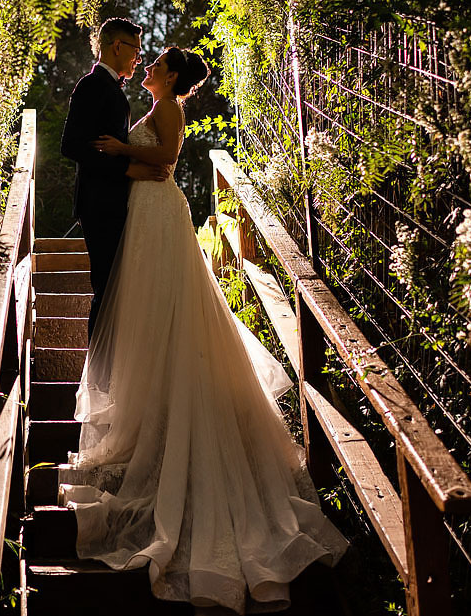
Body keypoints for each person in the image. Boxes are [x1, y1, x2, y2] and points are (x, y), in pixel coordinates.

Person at [63, 47, 348, 614]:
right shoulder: (155, 101)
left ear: (169, 76)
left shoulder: (168, 108)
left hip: (158, 208)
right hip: (144, 210)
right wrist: (127, 157)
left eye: (154, 63)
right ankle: (152, 397)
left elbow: (166, 161)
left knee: (165, 304)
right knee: (147, 308)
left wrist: (121, 148)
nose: (145, 67)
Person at [60, 17, 168, 340]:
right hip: (98, 204)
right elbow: (71, 146)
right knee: (106, 292)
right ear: (117, 46)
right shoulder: (91, 86)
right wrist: (126, 169)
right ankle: (97, 376)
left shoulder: (111, 89)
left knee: (114, 291)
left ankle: (108, 374)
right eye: (135, 49)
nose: (139, 57)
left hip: (113, 204)